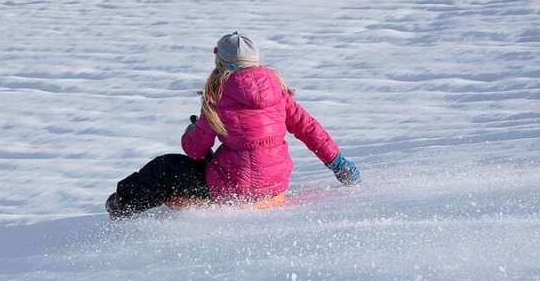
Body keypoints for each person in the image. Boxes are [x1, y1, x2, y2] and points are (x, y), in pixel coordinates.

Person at [106, 31, 360, 220]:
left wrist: (190, 133)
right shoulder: (279, 92)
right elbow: (309, 129)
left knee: (165, 168)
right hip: (274, 184)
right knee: (224, 160)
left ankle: (121, 207)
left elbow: (194, 150)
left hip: (235, 188)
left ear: (221, 64)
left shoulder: (217, 96)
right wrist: (337, 163)